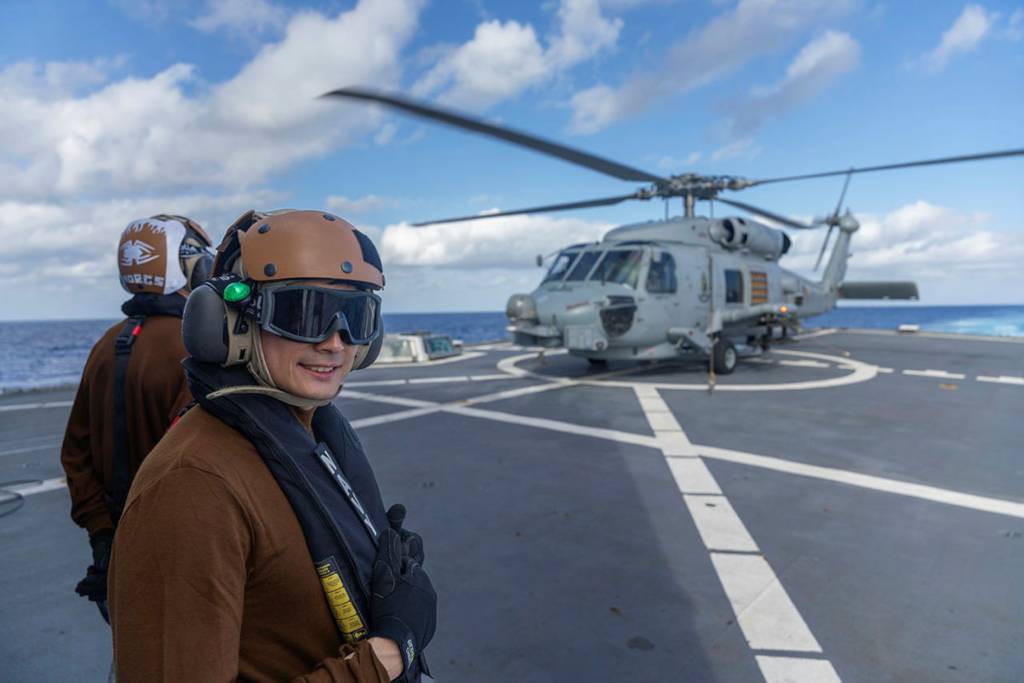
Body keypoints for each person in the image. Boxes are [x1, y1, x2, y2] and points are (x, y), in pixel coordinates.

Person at [108, 209, 436, 682]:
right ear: (235, 322)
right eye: (306, 313)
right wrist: (387, 652)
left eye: (355, 317)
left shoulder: (311, 431)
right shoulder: (192, 486)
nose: (335, 343)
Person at [60, 214, 214, 621]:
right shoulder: (195, 348)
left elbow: (74, 452)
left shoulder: (107, 343)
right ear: (189, 268)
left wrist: (102, 533)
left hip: (112, 555)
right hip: (179, 557)